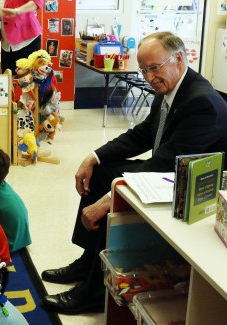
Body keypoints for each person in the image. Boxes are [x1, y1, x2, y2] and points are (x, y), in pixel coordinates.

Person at [40, 31, 227, 315]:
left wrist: (108, 197)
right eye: (144, 70)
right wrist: (92, 156)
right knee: (102, 171)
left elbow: (166, 163)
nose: (149, 77)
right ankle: (88, 261)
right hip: (170, 169)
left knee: (112, 186)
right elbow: (143, 134)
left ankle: (93, 292)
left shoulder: (202, 102)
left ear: (179, 58)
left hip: (190, 187)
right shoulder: (171, 88)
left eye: (154, 68)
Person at [0, 0, 43, 74]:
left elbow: (38, 2)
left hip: (28, 42)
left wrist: (17, 11)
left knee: (30, 81)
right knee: (8, 81)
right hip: (7, 47)